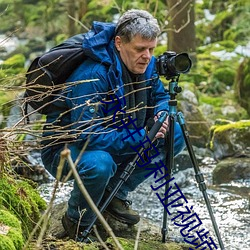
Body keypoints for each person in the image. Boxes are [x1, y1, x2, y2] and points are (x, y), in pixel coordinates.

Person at [41, 9, 185, 241]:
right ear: (119, 43)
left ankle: (115, 194)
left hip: (118, 136)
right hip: (67, 150)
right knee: (100, 164)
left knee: (175, 133)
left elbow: (159, 96)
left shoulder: (145, 64)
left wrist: (162, 113)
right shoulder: (92, 75)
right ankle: (76, 221)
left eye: (151, 49)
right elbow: (87, 135)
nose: (147, 56)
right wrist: (143, 137)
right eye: (140, 49)